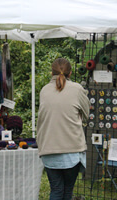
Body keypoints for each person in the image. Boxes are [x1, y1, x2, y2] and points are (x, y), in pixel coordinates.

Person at [36, 58, 90, 200]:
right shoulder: (78, 89)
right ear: (70, 73)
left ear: (51, 72)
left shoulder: (44, 90)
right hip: (71, 151)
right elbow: (86, 115)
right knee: (67, 191)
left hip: (48, 149)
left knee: (56, 190)